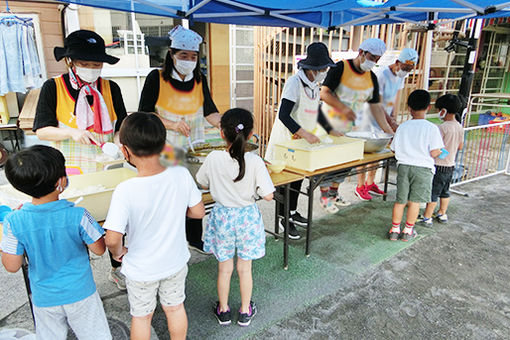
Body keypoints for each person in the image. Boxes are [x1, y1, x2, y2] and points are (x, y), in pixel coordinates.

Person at [33, 29, 128, 290]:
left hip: (107, 165)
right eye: (85, 64)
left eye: (96, 64)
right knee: (73, 224)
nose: (91, 69)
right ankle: (78, 273)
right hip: (71, 171)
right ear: (70, 61)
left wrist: (118, 144)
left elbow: (120, 124)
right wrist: (72, 132)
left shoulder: (111, 88)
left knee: (113, 219)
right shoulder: (53, 87)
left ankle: (118, 267)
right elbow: (41, 129)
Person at [103, 112, 205, 340]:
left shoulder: (125, 190)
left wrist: (118, 253)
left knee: (142, 317)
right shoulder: (180, 174)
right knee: (175, 308)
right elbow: (198, 212)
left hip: (141, 269)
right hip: (175, 262)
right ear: (163, 145)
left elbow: (111, 239)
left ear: (125, 151)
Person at [0, 145, 110, 340]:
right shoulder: (79, 214)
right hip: (81, 293)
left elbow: (11, 266)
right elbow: (100, 249)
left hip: (44, 297)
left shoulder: (14, 221)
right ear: (61, 181)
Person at [138, 25, 220, 254]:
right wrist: (172, 124)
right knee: (171, 195)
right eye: (184, 55)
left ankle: (194, 238)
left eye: (193, 56)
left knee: (194, 193)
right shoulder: (157, 78)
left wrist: (225, 125)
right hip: (166, 149)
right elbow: (144, 113)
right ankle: (171, 242)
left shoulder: (199, 79)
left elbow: (210, 112)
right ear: (172, 55)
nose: (189, 60)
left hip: (193, 147)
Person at [196, 108, 275, 327]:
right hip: (247, 219)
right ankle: (244, 311)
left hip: (222, 217)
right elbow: (268, 195)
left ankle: (223, 310)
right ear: (250, 135)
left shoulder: (213, 158)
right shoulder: (256, 161)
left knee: (224, 267)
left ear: (222, 133)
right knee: (244, 268)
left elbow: (201, 182)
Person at [265, 42, 342, 232]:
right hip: (287, 140)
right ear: (311, 68)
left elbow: (314, 112)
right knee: (286, 183)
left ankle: (292, 211)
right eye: (322, 68)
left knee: (298, 179)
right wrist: (304, 133)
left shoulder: (315, 85)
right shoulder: (294, 83)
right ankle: (284, 218)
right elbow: (283, 115)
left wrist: (329, 128)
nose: (325, 71)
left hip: (301, 142)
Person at [321, 38, 394, 205]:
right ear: (361, 52)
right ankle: (324, 196)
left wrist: (388, 131)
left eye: (377, 59)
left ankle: (334, 193)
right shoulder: (340, 68)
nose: (374, 62)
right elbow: (324, 93)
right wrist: (344, 108)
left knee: (346, 162)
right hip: (329, 125)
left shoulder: (372, 78)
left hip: (352, 128)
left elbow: (376, 107)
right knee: (328, 162)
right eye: (372, 57)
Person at [358, 48, 419, 196]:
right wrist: (390, 122)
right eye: (405, 68)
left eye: (409, 70)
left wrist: (394, 117)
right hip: (370, 116)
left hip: (385, 118)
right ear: (397, 62)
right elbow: (376, 103)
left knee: (379, 152)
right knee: (366, 153)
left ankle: (370, 183)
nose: (406, 72)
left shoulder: (400, 77)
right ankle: (360, 186)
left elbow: (395, 98)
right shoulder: (381, 75)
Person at [388, 90, 444, 241]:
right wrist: (441, 152)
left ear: (409, 108)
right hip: (423, 169)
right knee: (414, 202)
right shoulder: (432, 128)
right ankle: (407, 231)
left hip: (404, 167)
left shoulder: (403, 127)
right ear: (428, 107)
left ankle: (394, 229)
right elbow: (434, 152)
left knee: (400, 201)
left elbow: (393, 148)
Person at [419, 94, 464, 225]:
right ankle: (442, 213)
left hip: (439, 165)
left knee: (433, 192)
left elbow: (435, 148)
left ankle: (427, 217)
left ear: (443, 110)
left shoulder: (442, 128)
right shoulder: (459, 127)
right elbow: (460, 146)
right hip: (451, 165)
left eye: (439, 110)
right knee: (445, 191)